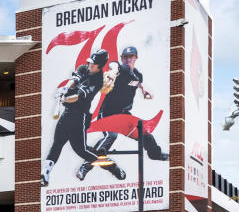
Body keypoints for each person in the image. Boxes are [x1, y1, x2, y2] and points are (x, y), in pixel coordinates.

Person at [77, 45, 168, 180]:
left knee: (146, 135)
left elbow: (137, 81)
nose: (128, 59)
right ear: (122, 58)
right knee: (111, 137)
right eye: (125, 57)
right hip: (108, 113)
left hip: (124, 116)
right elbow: (114, 65)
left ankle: (155, 154)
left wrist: (143, 89)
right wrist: (113, 70)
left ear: (136, 58)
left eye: (130, 57)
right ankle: (86, 165)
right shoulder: (121, 69)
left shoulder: (138, 75)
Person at [40, 49, 108, 187]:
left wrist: (64, 98)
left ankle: (107, 163)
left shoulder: (98, 80)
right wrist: (65, 88)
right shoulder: (84, 67)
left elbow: (77, 97)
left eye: (94, 64)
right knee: (57, 143)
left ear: (100, 66)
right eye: (90, 62)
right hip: (67, 113)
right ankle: (45, 172)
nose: (90, 65)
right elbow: (75, 79)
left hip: (80, 117)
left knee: (80, 150)